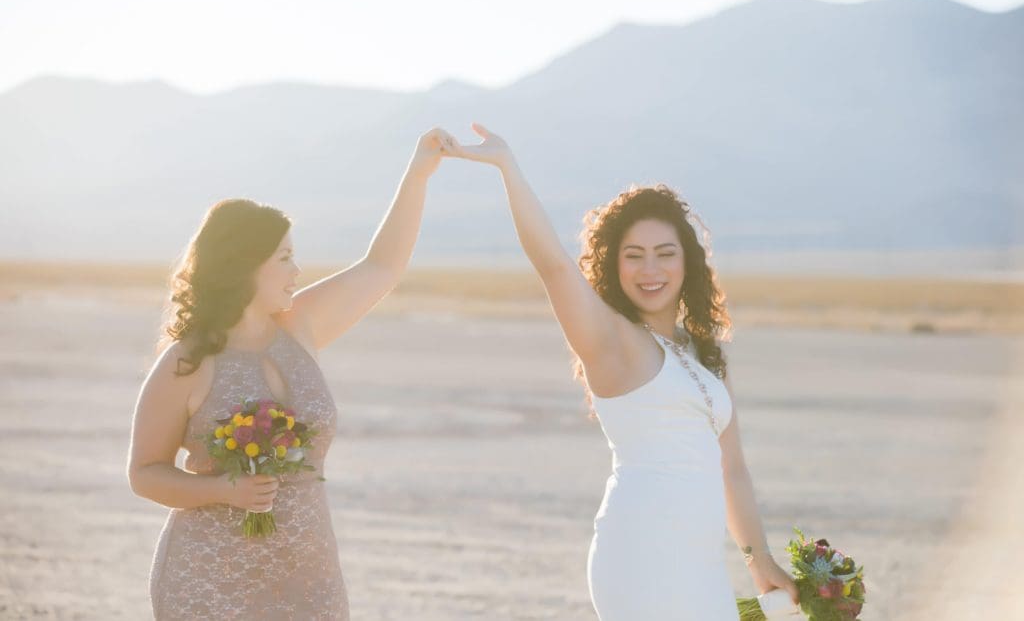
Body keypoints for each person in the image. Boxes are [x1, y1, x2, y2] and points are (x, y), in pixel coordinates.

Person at [449, 123, 799, 620]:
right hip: (639, 556)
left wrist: (759, 560)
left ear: (687, 263)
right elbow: (552, 264)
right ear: (614, 266)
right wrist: (508, 167)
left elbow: (733, 469)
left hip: (699, 564)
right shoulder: (611, 340)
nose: (649, 270)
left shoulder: (704, 352)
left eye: (664, 254)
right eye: (633, 256)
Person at [127, 128, 458, 620]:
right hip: (211, 581)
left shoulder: (300, 327)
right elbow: (144, 474)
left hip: (308, 576)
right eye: (284, 258)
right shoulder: (186, 361)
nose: (297, 271)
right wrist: (223, 490)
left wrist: (418, 173)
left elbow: (383, 266)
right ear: (244, 267)